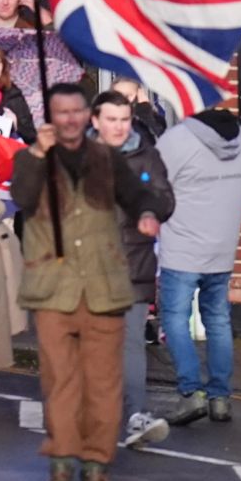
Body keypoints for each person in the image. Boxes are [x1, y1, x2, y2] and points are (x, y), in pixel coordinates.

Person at [13, 83, 165, 481]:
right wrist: (40, 155)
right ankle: (61, 471)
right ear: (51, 117)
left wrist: (149, 213)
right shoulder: (33, 160)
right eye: (61, 112)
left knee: (102, 386)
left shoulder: (107, 159)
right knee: (61, 385)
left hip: (104, 289)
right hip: (54, 290)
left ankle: (96, 473)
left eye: (77, 111)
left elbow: (140, 195)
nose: (69, 119)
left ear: (88, 117)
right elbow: (21, 196)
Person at [149, 102, 241, 426]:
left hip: (183, 246)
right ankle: (220, 398)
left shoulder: (176, 139)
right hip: (222, 247)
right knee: (218, 320)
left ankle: (191, 392)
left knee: (175, 319)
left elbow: (152, 185)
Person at [90, 90, 175, 448]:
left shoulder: (146, 155)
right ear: (96, 121)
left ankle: (136, 414)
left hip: (133, 263)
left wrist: (149, 211)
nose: (119, 127)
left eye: (124, 119)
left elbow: (165, 196)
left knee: (130, 345)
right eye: (111, 120)